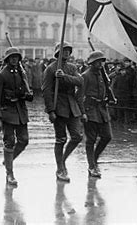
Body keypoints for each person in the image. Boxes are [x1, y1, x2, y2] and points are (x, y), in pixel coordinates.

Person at [42, 42, 84, 182]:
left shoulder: (72, 67)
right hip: (58, 106)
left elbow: (80, 81)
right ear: (57, 53)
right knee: (61, 139)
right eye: (63, 50)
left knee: (77, 136)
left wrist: (64, 77)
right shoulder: (50, 69)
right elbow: (46, 91)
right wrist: (50, 110)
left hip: (72, 106)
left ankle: (63, 160)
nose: (66, 53)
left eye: (68, 51)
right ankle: (60, 168)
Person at [0, 47, 33, 186]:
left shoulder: (22, 74)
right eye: (12, 57)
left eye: (16, 57)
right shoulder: (1, 75)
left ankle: (8, 160)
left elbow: (25, 92)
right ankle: (10, 173)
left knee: (24, 140)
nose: (14, 59)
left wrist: (28, 94)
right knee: (9, 142)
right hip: (7, 112)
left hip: (20, 111)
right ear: (7, 59)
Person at [81, 51, 113, 178]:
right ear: (92, 63)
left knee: (107, 136)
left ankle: (94, 159)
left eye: (102, 61)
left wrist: (110, 97)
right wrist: (82, 112)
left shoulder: (102, 74)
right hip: (90, 109)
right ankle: (91, 166)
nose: (101, 64)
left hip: (102, 109)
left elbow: (106, 88)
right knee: (91, 140)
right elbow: (80, 95)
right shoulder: (85, 76)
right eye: (98, 61)